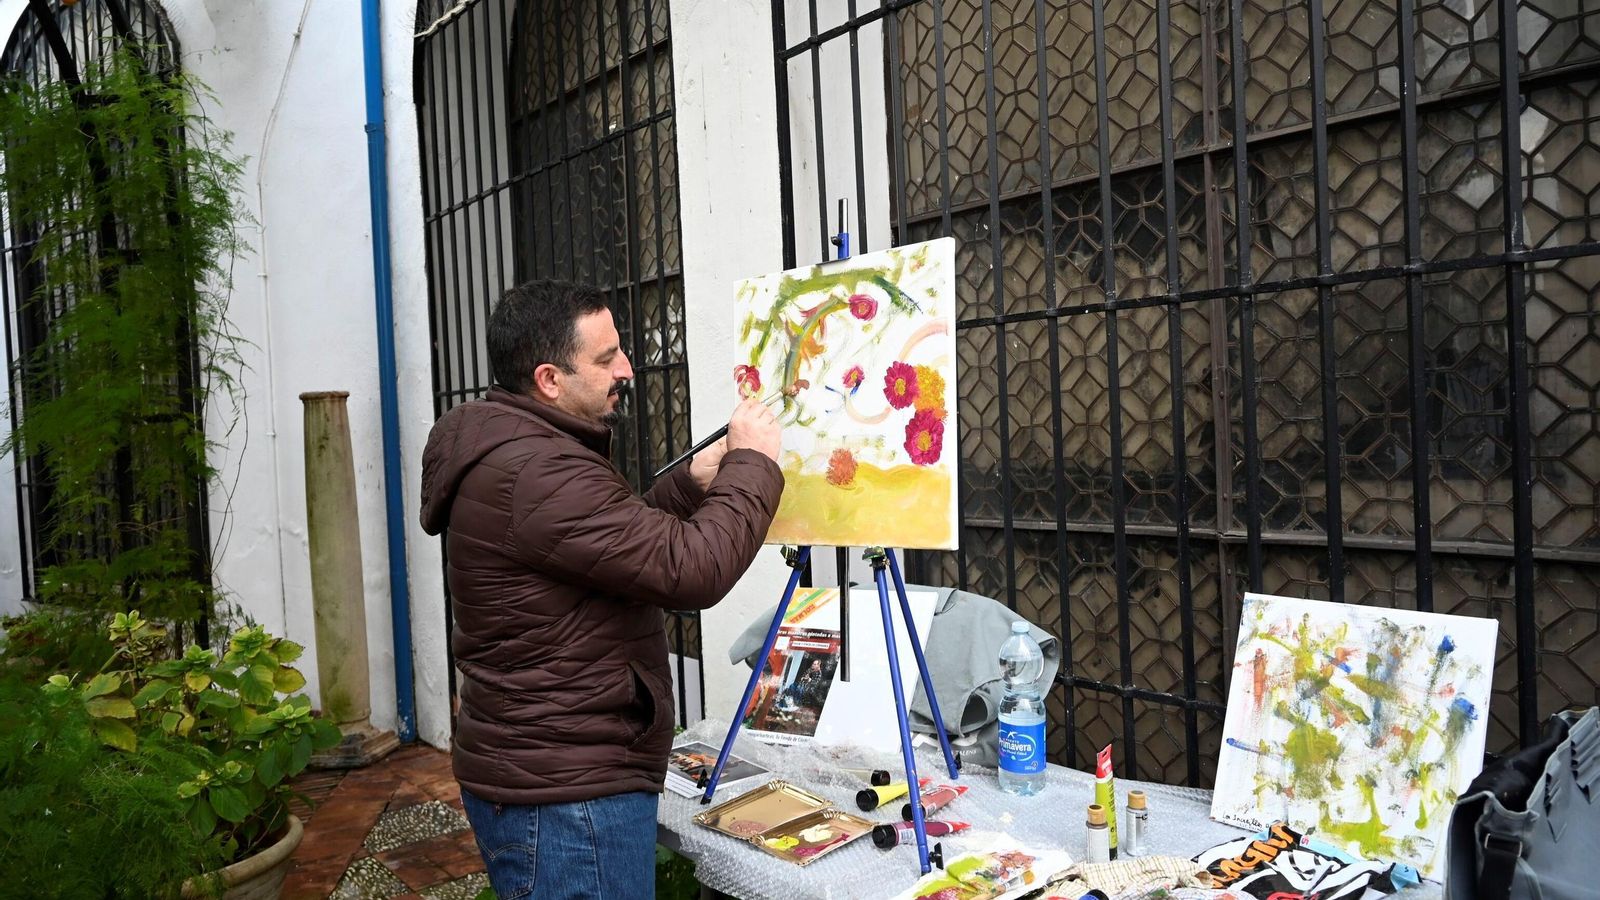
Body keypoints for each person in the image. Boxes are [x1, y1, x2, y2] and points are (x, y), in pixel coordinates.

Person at [418, 279, 784, 900]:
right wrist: (755, 463)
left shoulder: (517, 449)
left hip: (548, 771)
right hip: (568, 798)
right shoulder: (536, 469)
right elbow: (692, 571)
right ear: (549, 379)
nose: (628, 369)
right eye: (607, 357)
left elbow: (599, 552)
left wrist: (693, 485)